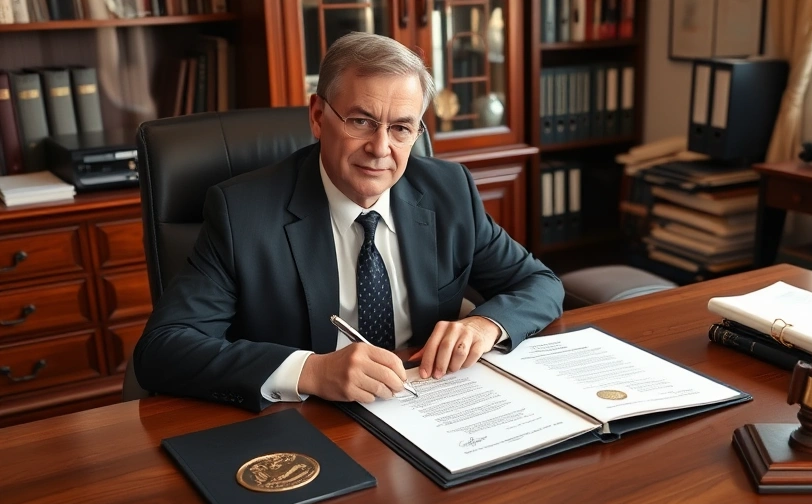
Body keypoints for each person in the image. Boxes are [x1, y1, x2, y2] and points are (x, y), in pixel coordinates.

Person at [133, 32, 563, 411]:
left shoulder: (449, 191)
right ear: (318, 117)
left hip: (427, 405)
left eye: (400, 128)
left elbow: (540, 283)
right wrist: (311, 371)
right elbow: (163, 349)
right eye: (361, 121)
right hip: (304, 422)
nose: (381, 148)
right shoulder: (240, 213)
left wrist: (484, 325)